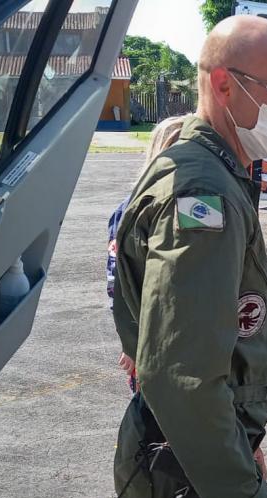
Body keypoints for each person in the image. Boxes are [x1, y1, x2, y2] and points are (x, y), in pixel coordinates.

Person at [109, 16, 267, 498]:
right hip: (184, 472)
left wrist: (238, 447)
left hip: (195, 455)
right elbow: (182, 373)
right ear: (223, 83)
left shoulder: (215, 170)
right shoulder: (201, 193)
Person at [107, 115, 187, 394]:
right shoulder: (131, 211)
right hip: (150, 348)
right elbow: (119, 284)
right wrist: (132, 346)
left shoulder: (197, 205)